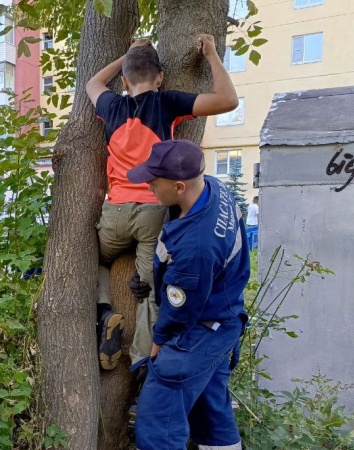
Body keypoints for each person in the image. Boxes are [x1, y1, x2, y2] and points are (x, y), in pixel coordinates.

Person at [85, 35, 239, 372]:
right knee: (151, 288)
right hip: (154, 212)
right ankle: (142, 360)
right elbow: (228, 100)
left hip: (115, 213)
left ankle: (105, 311)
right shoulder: (167, 102)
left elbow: (93, 82)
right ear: (160, 79)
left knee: (95, 259)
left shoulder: (112, 105)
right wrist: (211, 54)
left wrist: (126, 54)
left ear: (124, 82)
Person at [126, 139, 250, 450]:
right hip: (225, 320)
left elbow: (181, 310)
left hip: (198, 331)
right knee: (211, 409)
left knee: (158, 417)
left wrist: (157, 347)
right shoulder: (213, 187)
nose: (149, 187)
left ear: (179, 186)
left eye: (154, 182)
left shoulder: (197, 245)